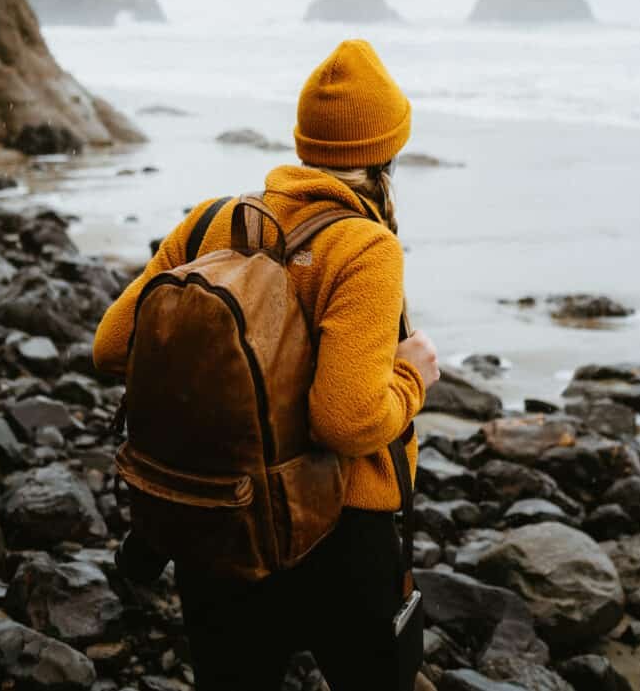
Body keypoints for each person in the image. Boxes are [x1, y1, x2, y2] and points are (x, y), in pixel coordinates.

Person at [93, 38, 442, 689]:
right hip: (340, 529)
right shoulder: (365, 245)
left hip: (219, 515)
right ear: (388, 150)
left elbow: (111, 346)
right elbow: (346, 419)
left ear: (307, 142)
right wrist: (412, 377)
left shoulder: (211, 222)